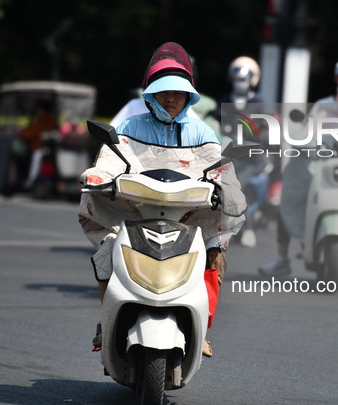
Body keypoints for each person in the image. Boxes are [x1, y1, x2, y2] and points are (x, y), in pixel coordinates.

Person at [78, 42, 245, 357]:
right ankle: (106, 321)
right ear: (150, 93)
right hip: (135, 214)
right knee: (108, 249)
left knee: (214, 254)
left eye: (177, 92)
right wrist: (98, 176)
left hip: (190, 218)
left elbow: (222, 171)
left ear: (188, 95)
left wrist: (227, 188)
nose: (170, 97)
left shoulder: (203, 131)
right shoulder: (129, 127)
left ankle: (202, 329)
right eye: (163, 91)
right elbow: (110, 162)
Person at [259, 58, 338, 280]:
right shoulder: (323, 106)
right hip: (320, 170)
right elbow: (307, 132)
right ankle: (282, 259)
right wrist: (310, 141)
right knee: (290, 198)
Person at [218, 56, 269, 248]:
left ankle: (247, 228)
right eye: (238, 79)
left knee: (238, 184)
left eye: (245, 79)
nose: (241, 83)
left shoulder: (259, 103)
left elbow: (267, 130)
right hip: (229, 154)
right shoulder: (224, 101)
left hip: (253, 158)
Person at [19, 100, 58, 189]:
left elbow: (30, 133)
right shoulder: (52, 120)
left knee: (35, 159)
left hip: (41, 148)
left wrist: (20, 133)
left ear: (41, 110)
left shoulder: (40, 120)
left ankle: (31, 180)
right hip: (50, 149)